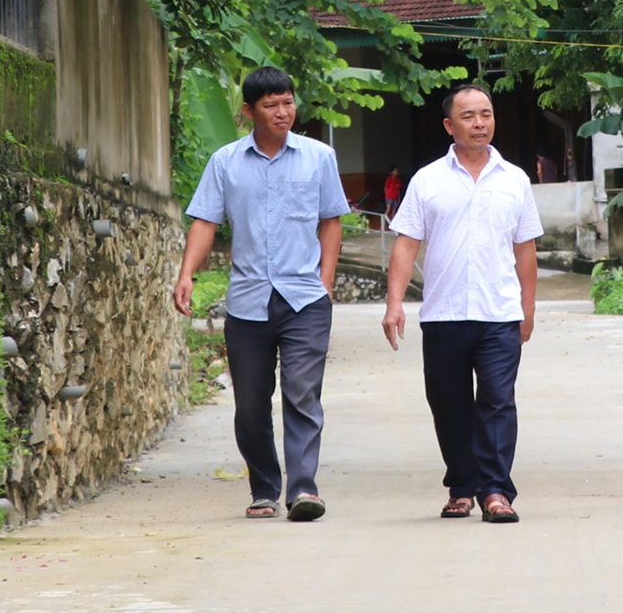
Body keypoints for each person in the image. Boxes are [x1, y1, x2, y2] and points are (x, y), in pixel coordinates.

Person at [173, 67, 351, 522]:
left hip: (305, 299)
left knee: (301, 392)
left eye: (288, 102)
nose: (282, 112)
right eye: (271, 105)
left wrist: (325, 281)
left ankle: (304, 490)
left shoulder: (318, 157)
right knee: (250, 404)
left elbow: (331, 220)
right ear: (248, 111)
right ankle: (265, 488)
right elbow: (205, 222)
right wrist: (187, 274)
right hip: (248, 300)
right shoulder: (225, 162)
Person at [383, 83, 543, 523]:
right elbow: (406, 244)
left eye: (486, 114)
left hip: (499, 313)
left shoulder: (514, 180)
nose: (480, 123)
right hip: (443, 313)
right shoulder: (427, 180)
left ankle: (495, 491)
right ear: (449, 125)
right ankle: (461, 485)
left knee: (496, 400)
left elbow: (525, 250)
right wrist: (394, 303)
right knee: (449, 403)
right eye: (469, 116)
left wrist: (528, 309)